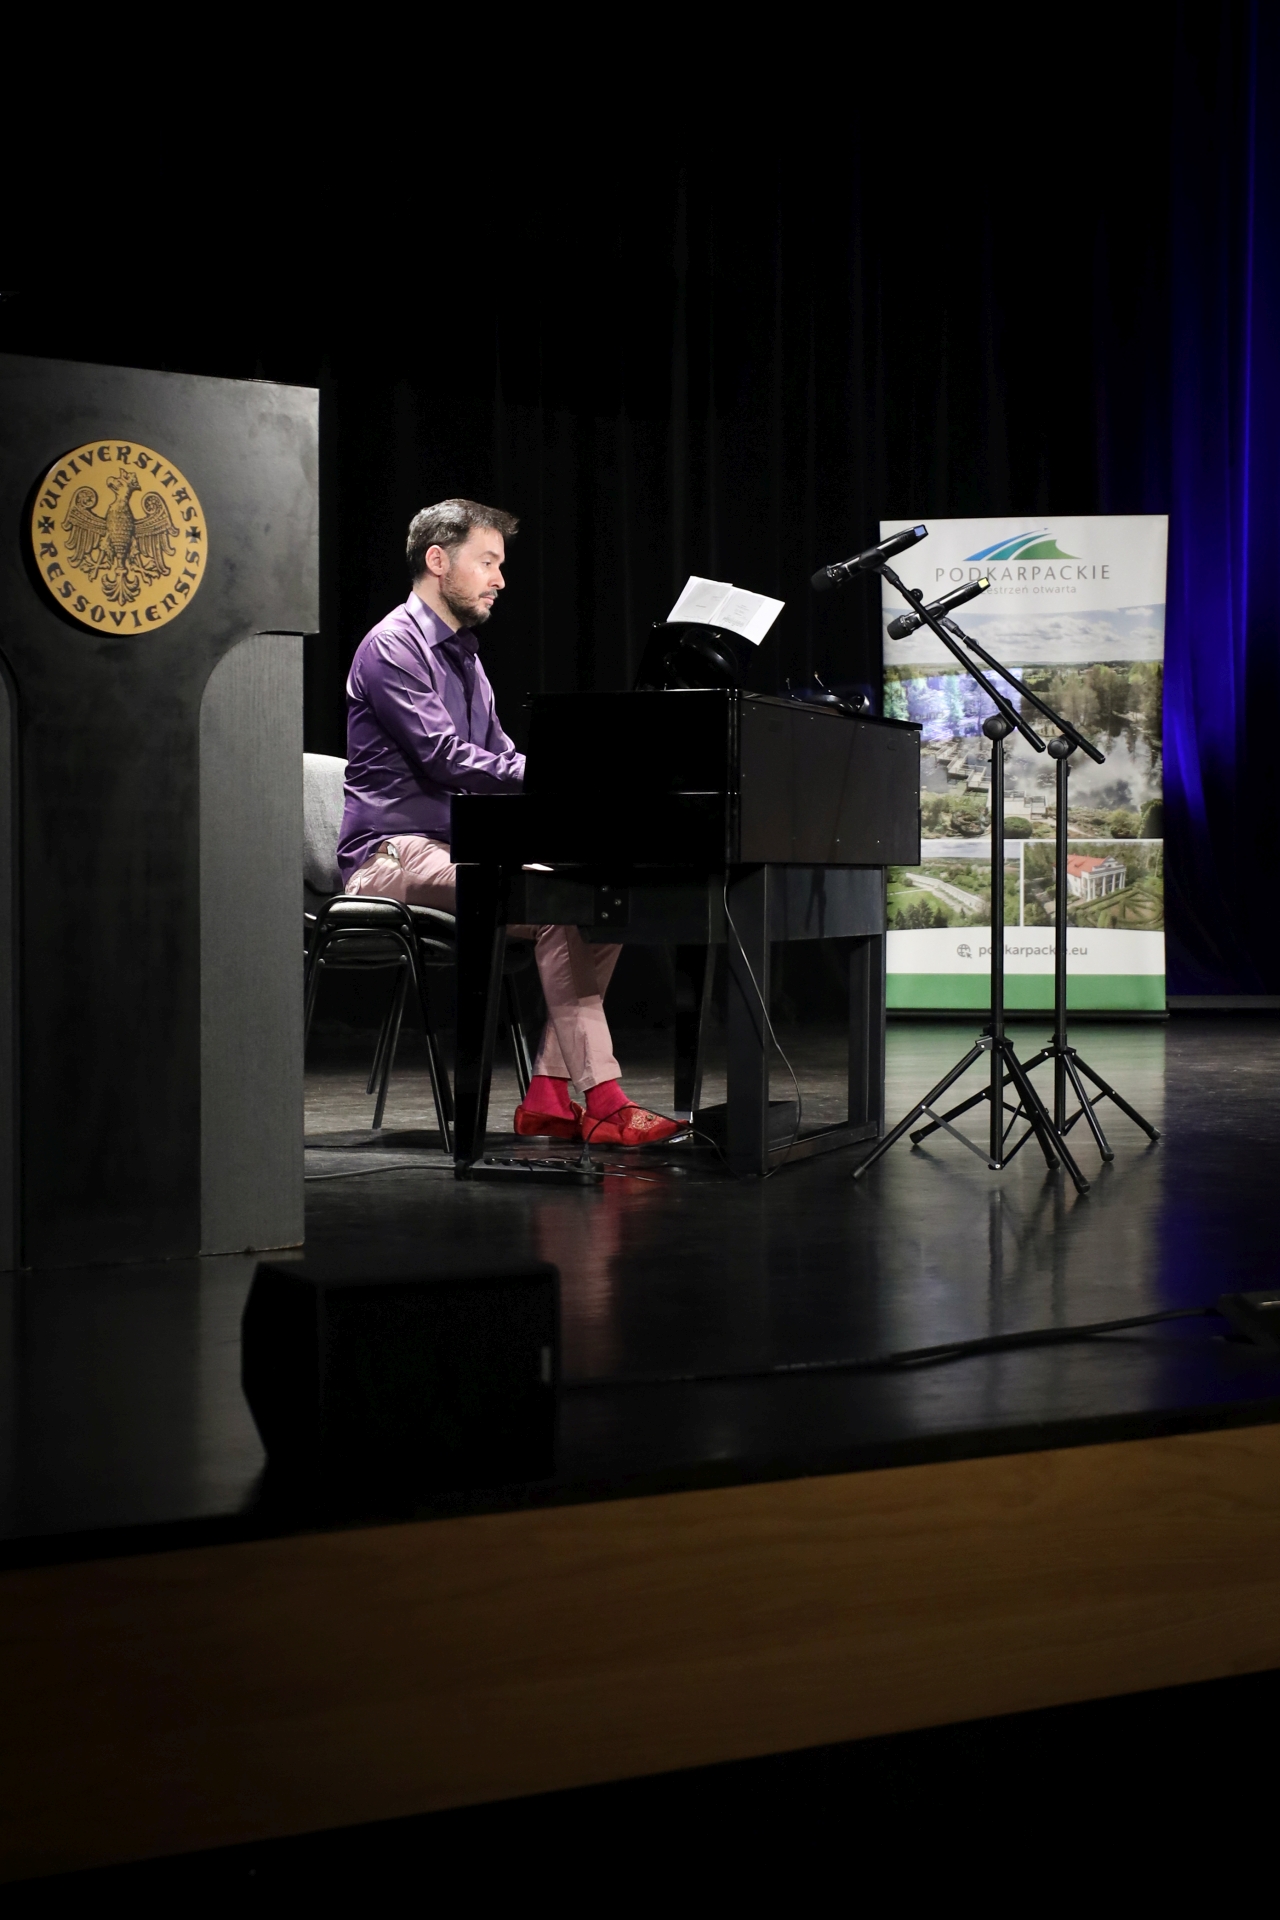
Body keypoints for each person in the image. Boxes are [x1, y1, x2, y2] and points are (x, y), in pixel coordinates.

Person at [338, 497, 682, 1147]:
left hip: (461, 849)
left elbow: (501, 757)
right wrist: (559, 775)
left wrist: (574, 785)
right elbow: (445, 757)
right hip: (389, 856)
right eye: (488, 562)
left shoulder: (466, 659)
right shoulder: (392, 646)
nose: (500, 579)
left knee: (598, 899)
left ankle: (549, 1096)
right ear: (438, 561)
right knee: (556, 905)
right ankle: (605, 1102)